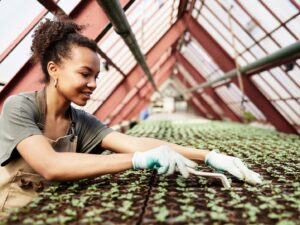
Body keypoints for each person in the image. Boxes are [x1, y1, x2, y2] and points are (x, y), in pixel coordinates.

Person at [0, 17, 261, 218]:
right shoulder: (20, 107)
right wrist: (138, 161)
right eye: (84, 74)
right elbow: (51, 166)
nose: (93, 84)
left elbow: (134, 143)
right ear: (54, 70)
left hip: (48, 212)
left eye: (96, 77)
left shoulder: (80, 121)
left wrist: (208, 156)